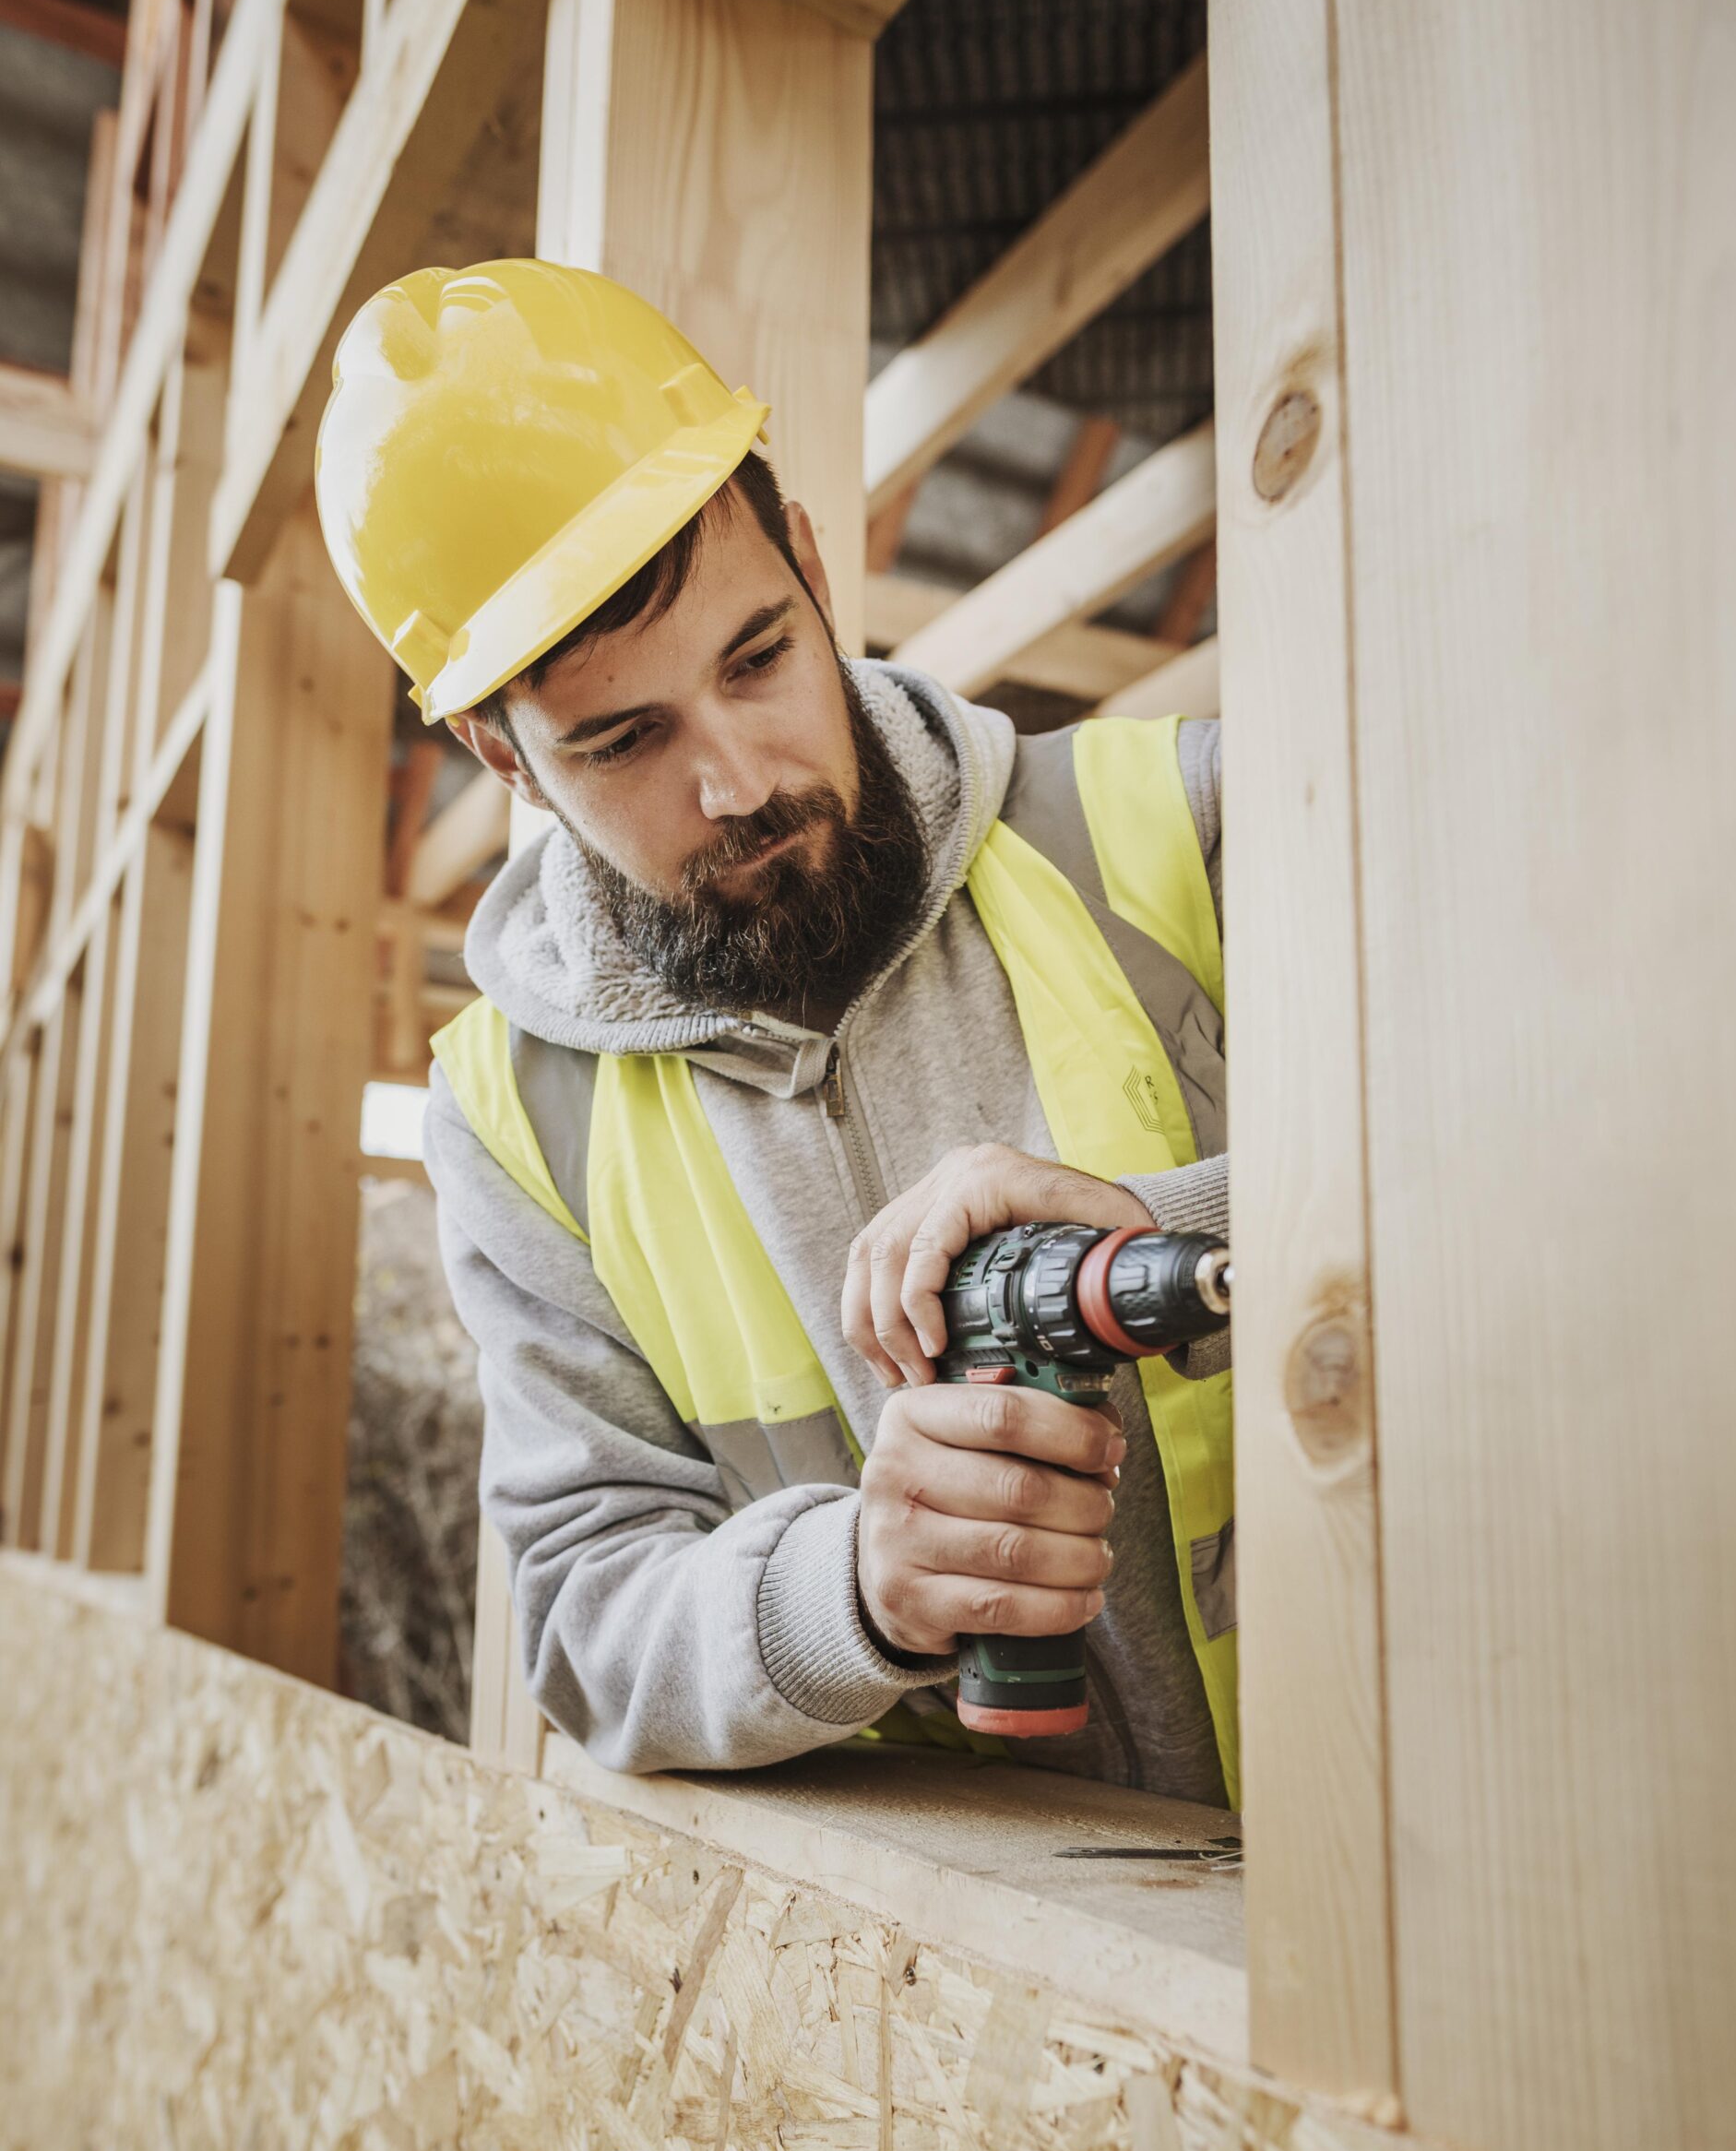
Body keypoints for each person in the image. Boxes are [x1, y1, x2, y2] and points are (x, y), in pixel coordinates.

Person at [315, 259, 1236, 1805]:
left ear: (810, 565)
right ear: (507, 757)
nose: (738, 781)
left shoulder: (1177, 829)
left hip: (1407, 1876)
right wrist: (855, 1594)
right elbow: (587, 1612)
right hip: (1015, 1976)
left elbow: (1565, 1153)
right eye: (625, 740)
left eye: (758, 660)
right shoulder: (513, 1116)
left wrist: (1167, 1240)